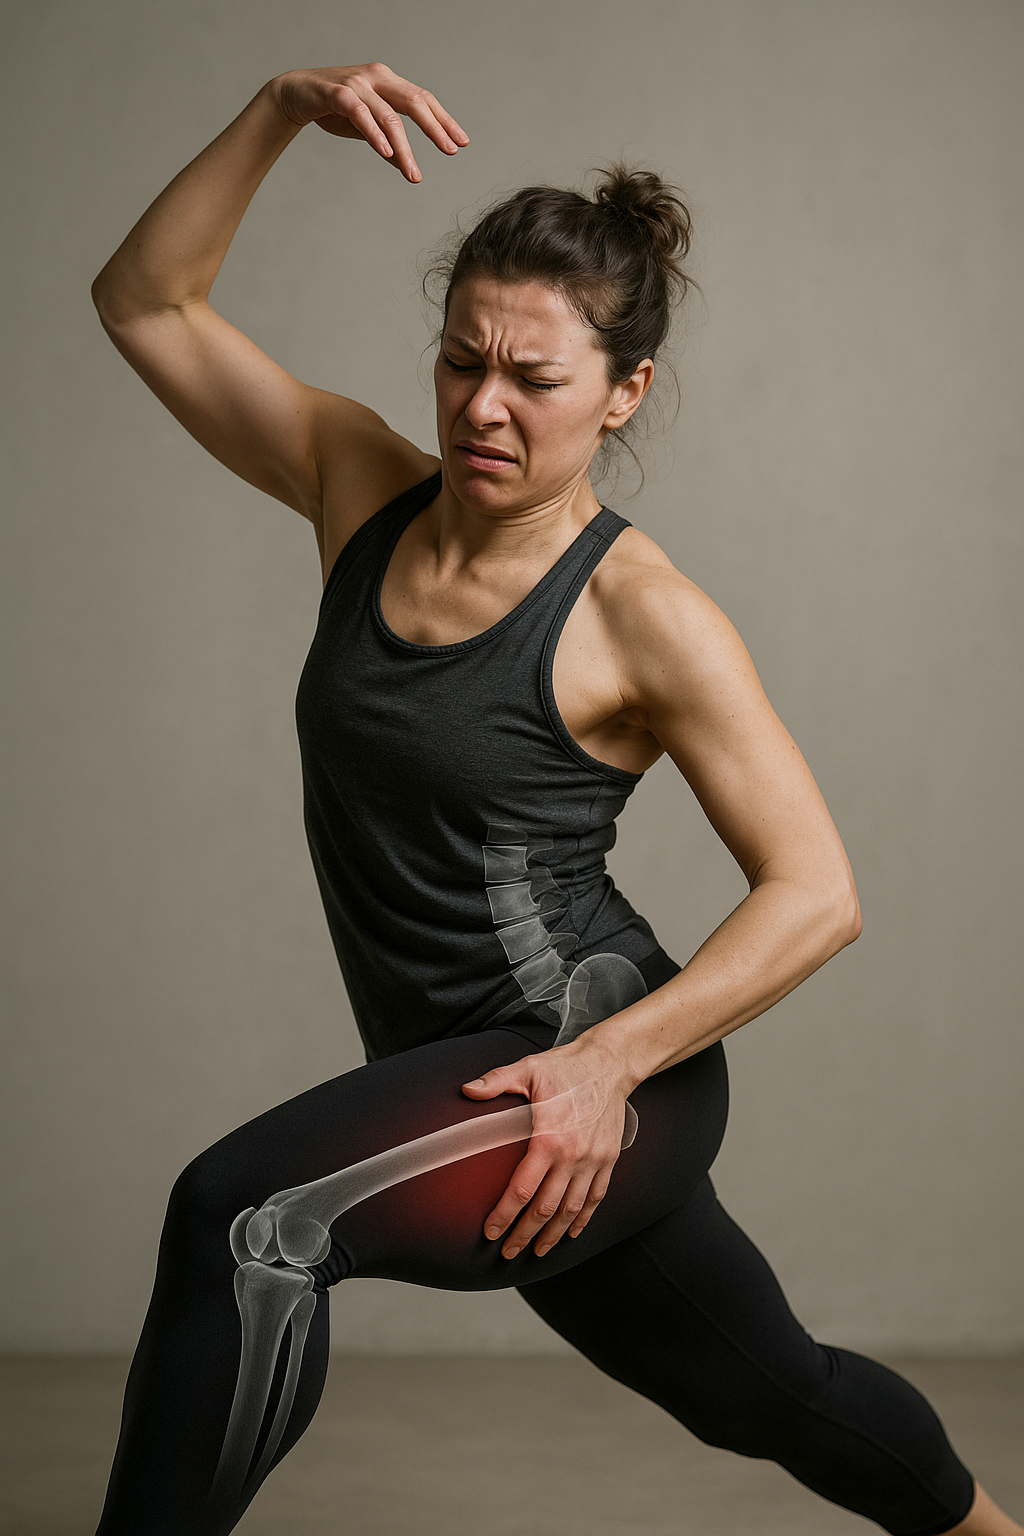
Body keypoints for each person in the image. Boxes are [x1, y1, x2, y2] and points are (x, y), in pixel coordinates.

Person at [89, 61, 1020, 1536]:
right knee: (768, 1392)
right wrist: (277, 112)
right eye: (464, 360)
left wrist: (604, 1072)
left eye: (536, 377)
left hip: (580, 1067)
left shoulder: (645, 614)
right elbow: (146, 303)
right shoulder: (356, 488)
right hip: (463, 1085)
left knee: (253, 1224)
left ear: (624, 391)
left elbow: (818, 892)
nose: (486, 406)